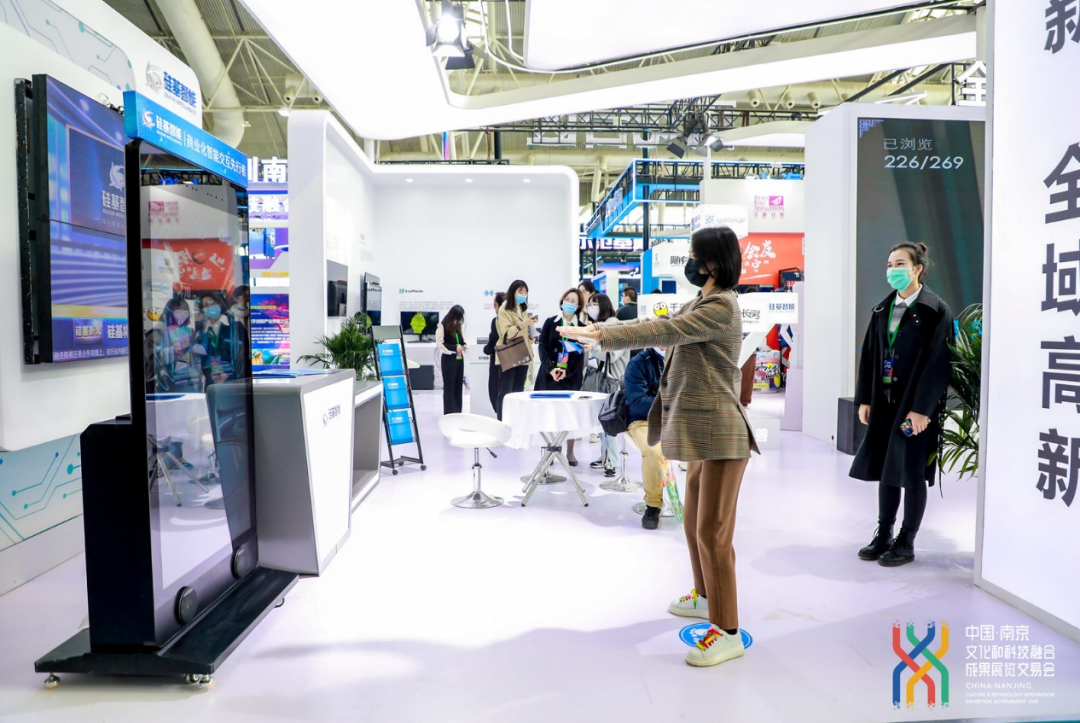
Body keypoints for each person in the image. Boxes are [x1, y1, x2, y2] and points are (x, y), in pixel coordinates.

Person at [560, 225, 759, 668]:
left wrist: (602, 336)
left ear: (713, 261)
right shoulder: (702, 301)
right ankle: (705, 597)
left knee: (714, 533)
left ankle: (728, 632)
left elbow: (665, 330)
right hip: (703, 433)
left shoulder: (721, 306)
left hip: (723, 432)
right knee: (694, 525)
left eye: (695, 255)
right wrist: (601, 330)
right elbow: (654, 323)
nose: (690, 262)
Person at [851, 242, 952, 568]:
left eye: (899, 264)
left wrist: (922, 410)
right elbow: (870, 356)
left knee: (911, 472)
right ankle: (884, 534)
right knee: (887, 468)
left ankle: (906, 541)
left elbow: (939, 363)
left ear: (917, 269)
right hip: (885, 403)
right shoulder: (883, 309)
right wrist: (865, 398)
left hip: (914, 408)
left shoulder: (935, 310)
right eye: (889, 264)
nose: (892, 270)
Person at [536, 288, 587, 464]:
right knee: (547, 413)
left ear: (579, 306)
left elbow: (580, 353)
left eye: (574, 301)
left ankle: (570, 451)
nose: (569, 303)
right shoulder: (551, 322)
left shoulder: (581, 328)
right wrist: (551, 368)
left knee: (570, 414)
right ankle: (549, 449)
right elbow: (542, 347)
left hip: (571, 376)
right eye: (567, 299)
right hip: (548, 374)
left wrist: (567, 371)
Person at [586, 292, 629, 477]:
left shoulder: (615, 327)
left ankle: (612, 460)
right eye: (589, 304)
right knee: (603, 420)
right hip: (605, 380)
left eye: (594, 304)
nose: (591, 308)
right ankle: (605, 455)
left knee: (609, 419)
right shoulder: (602, 327)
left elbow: (611, 355)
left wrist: (593, 347)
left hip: (613, 380)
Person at [624, 345, 666, 529]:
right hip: (644, 420)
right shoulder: (638, 363)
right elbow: (637, 403)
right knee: (652, 450)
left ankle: (701, 503)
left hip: (678, 418)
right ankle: (653, 505)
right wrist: (670, 404)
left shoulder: (684, 358)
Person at [494, 280, 537, 420]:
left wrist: (530, 337)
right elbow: (507, 334)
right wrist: (523, 324)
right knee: (506, 390)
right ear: (513, 292)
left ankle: (516, 419)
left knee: (518, 390)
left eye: (525, 292)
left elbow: (523, 332)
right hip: (509, 352)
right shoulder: (504, 309)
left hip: (523, 352)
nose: (523, 295)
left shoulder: (523, 310)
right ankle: (502, 420)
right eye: (520, 291)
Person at [194, 291, 248, 388]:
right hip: (211, 382)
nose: (209, 307)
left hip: (233, 382)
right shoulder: (203, 332)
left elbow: (242, 356)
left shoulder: (235, 326)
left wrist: (229, 373)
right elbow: (201, 359)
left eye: (212, 303)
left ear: (219, 304)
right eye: (205, 305)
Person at [436, 305, 467, 415]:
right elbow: (440, 344)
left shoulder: (458, 324)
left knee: (458, 385)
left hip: (459, 358)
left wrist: (464, 345)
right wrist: (454, 348)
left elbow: (461, 339)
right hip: (448, 359)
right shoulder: (442, 325)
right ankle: (449, 413)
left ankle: (457, 412)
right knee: (449, 387)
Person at [482, 292, 506, 414]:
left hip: (499, 360)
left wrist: (486, 349)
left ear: (496, 305)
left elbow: (493, 343)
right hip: (514, 360)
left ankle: (501, 419)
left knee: (496, 392)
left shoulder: (497, 320)